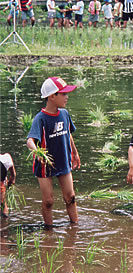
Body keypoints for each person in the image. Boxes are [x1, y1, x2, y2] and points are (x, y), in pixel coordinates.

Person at [26, 77, 81, 228]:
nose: (66, 97)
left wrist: (75, 153)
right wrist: (37, 152)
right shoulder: (41, 118)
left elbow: (68, 133)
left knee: (70, 197)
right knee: (49, 201)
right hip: (45, 164)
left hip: (63, 161)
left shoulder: (64, 114)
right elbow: (30, 140)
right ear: (52, 96)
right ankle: (48, 231)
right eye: (62, 94)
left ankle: (75, 227)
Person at [0, 153, 16, 218]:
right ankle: (4, 223)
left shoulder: (5, 159)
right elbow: (13, 176)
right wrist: (10, 184)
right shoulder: (6, 158)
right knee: (3, 203)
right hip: (1, 185)